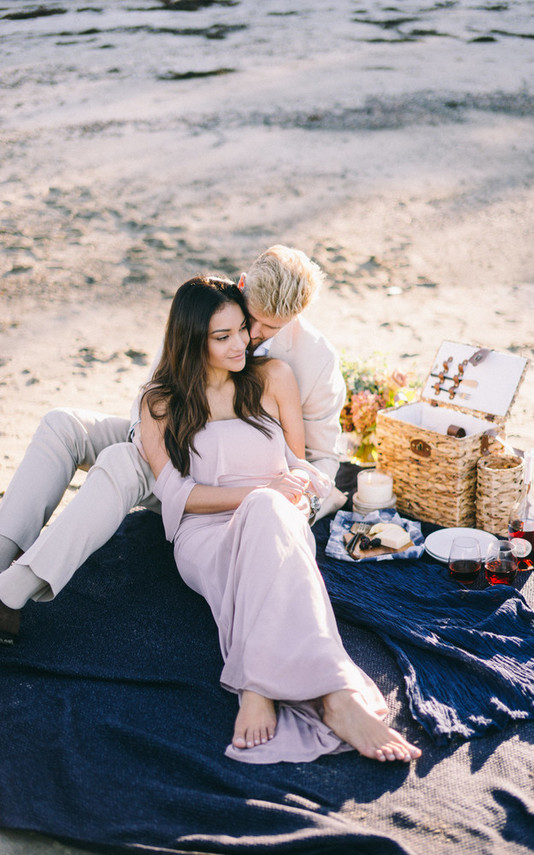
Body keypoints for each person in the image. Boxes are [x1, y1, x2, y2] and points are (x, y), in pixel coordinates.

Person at [138, 275, 421, 765]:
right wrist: (259, 494)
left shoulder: (273, 378)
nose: (241, 344)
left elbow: (298, 465)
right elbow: (175, 495)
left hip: (279, 523)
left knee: (270, 514)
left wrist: (295, 493)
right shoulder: (160, 402)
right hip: (206, 536)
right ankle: (333, 696)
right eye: (221, 336)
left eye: (241, 330)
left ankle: (264, 687)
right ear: (191, 340)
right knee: (264, 507)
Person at [0, 246, 347, 641]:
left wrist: (300, 505)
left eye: (271, 328)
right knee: (64, 425)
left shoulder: (315, 359)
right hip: (175, 441)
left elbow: (322, 456)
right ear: (242, 286)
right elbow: (153, 392)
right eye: (250, 318)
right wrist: (154, 450)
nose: (251, 334)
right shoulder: (208, 306)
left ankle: (13, 592)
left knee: (120, 462)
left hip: (234, 472)